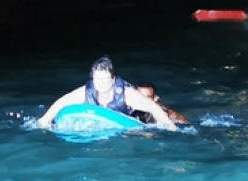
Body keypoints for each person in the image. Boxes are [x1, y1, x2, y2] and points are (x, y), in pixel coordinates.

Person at [36, 56, 178, 130]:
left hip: (129, 124)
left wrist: (168, 125)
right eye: (98, 79)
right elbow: (62, 102)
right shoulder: (86, 92)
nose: (101, 83)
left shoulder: (126, 94)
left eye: (105, 79)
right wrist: (44, 121)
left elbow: (151, 107)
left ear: (113, 79)